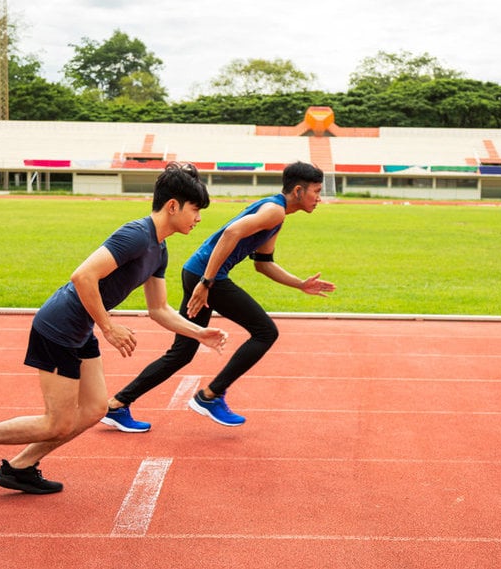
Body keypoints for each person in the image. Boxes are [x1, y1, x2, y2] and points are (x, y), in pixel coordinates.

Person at [0, 162, 227, 495]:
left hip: (81, 329)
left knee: (94, 409)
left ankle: (21, 467)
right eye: (195, 209)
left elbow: (158, 309)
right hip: (58, 327)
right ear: (173, 206)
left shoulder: (159, 250)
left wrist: (198, 332)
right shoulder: (136, 234)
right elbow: (83, 276)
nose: (199, 218)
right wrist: (109, 327)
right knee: (55, 422)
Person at [102, 161, 335, 432]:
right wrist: (207, 282)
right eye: (316, 191)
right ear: (298, 190)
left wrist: (300, 284)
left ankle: (118, 405)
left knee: (182, 353)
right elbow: (231, 232)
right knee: (265, 332)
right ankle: (210, 396)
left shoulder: (276, 215)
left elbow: (263, 262)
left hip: (199, 273)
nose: (319, 198)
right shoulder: (274, 211)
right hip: (206, 277)